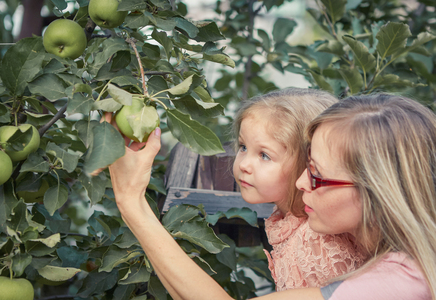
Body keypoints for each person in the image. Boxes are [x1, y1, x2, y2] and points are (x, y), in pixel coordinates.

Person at [108, 93, 436, 299]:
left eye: (317, 173)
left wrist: (130, 200)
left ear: (378, 194)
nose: (302, 182)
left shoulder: (393, 283)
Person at [231, 88, 365, 290]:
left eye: (264, 155)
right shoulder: (293, 223)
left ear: (307, 164)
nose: (244, 165)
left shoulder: (316, 243)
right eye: (243, 147)